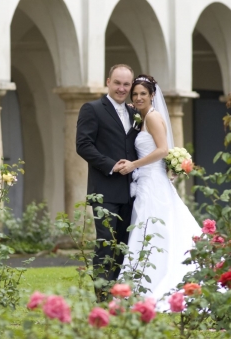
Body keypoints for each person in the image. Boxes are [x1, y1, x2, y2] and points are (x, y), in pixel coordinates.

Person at [116, 74, 201, 301]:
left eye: (143, 93)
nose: (138, 97)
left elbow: (163, 150)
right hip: (146, 180)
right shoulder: (142, 118)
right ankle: (142, 281)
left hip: (152, 181)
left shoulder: (152, 118)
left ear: (153, 95)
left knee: (151, 228)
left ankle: (149, 283)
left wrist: (134, 164)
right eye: (135, 94)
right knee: (148, 228)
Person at [76, 64, 139, 301]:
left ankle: (118, 294)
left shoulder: (135, 113)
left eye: (126, 84)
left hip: (132, 191)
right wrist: (112, 165)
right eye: (117, 83)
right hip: (104, 189)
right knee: (106, 244)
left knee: (124, 244)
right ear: (108, 82)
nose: (122, 88)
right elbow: (83, 145)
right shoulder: (92, 109)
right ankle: (102, 298)